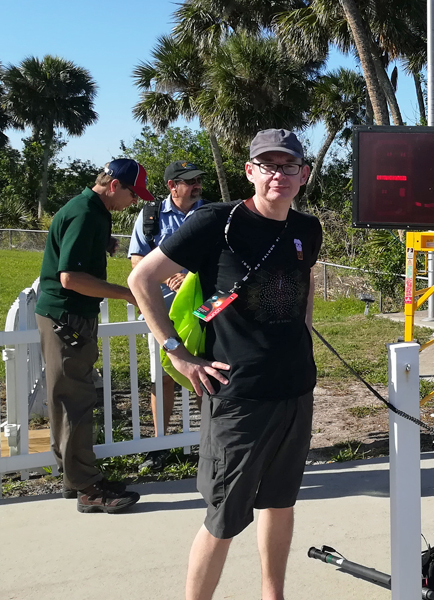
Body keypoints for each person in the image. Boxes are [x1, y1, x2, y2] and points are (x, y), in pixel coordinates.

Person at [128, 129, 321, 600]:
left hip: (294, 390)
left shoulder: (306, 229)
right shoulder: (218, 221)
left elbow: (304, 288)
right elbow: (141, 279)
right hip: (237, 397)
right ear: (250, 171)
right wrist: (177, 352)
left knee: (280, 502)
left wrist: (304, 338)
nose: (279, 174)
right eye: (268, 165)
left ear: (304, 174)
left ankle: (272, 594)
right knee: (224, 516)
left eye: (288, 165)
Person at [34, 158, 154, 513]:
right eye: (133, 194)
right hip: (66, 318)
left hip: (68, 316)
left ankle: (75, 476)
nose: (134, 202)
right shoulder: (85, 213)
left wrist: (102, 246)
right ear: (114, 185)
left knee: (72, 397)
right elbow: (70, 277)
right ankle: (87, 487)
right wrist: (129, 293)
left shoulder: (92, 210)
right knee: (75, 401)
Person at [127, 160, 206, 471]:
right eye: (189, 181)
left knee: (205, 370)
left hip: (204, 310)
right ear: (172, 186)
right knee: (162, 376)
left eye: (199, 180)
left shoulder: (208, 213)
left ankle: (210, 441)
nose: (196, 185)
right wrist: (166, 278)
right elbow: (137, 260)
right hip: (161, 310)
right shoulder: (150, 216)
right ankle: (160, 445)